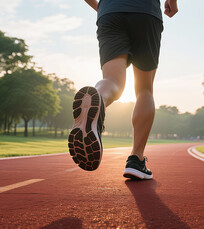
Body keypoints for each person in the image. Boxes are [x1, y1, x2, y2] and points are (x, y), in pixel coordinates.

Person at [68, 0, 178, 179]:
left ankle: (98, 99)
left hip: (110, 12)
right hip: (145, 11)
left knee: (112, 80)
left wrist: (103, 7)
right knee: (144, 90)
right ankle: (136, 159)